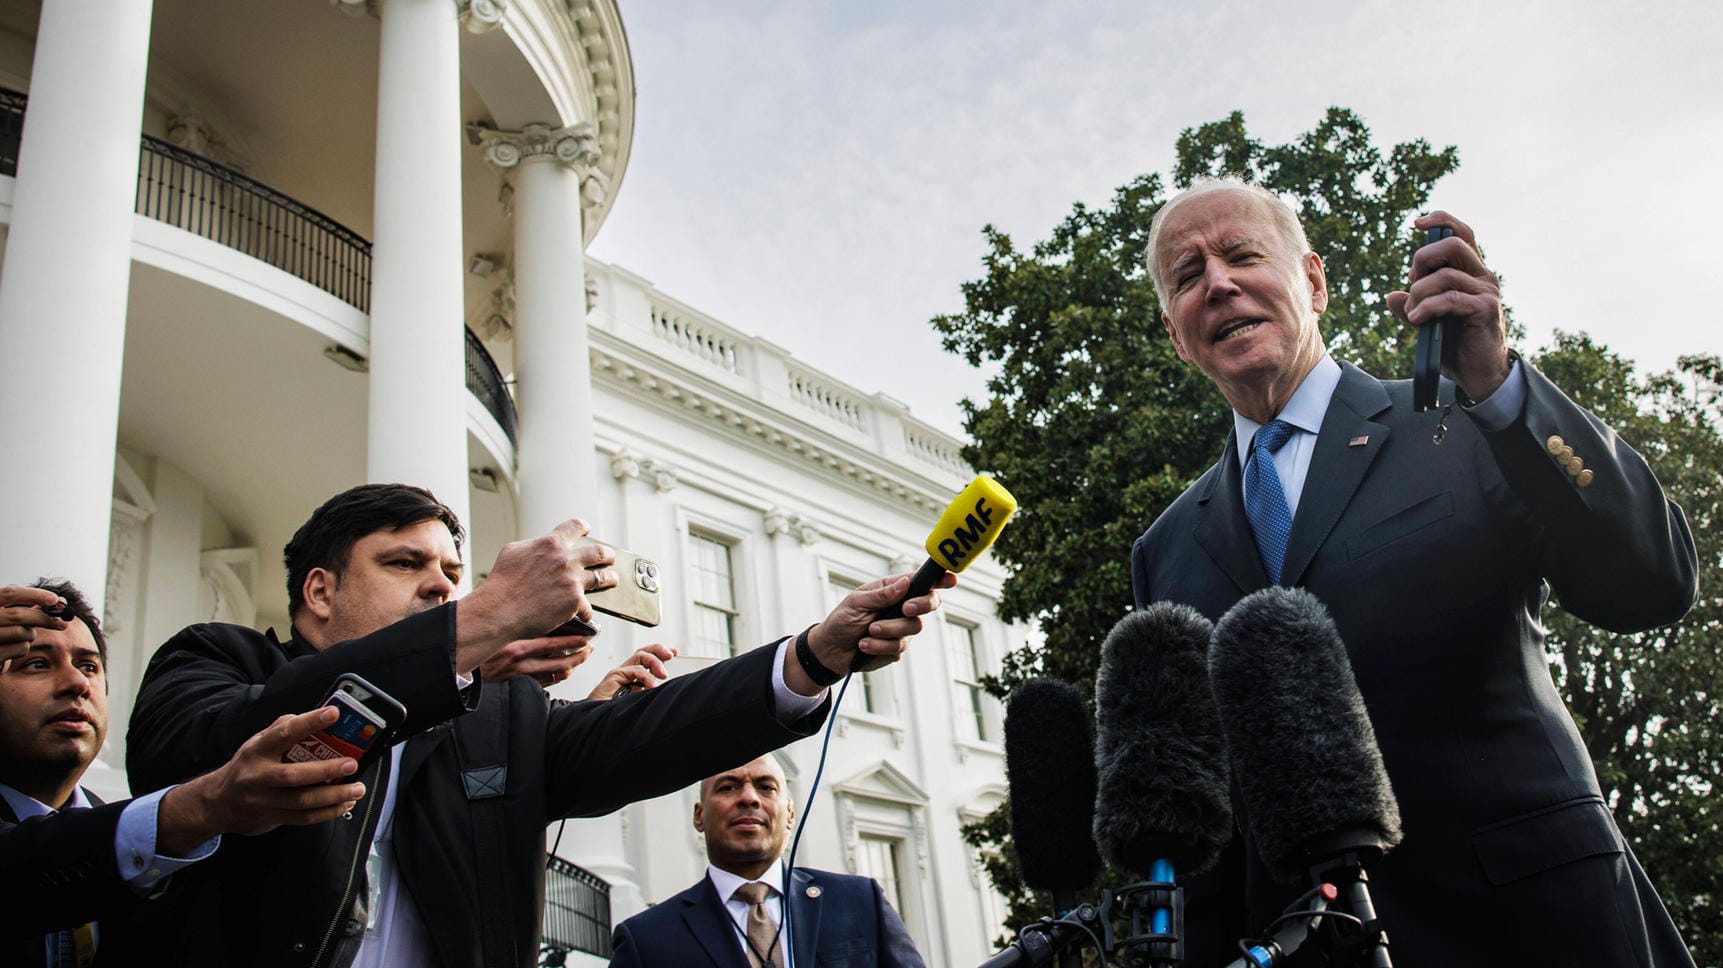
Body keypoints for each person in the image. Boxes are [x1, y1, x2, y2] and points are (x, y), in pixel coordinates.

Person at [1131, 177, 1698, 967]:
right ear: (1174, 333)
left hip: (1536, 928)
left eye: (1241, 254)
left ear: (1314, 281)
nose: (1218, 283)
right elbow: (1205, 822)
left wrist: (1498, 385)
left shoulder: (1467, 421)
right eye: (1187, 276)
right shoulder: (1165, 550)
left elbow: (1649, 583)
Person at [124, 483, 950, 968]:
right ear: (318, 591)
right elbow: (189, 754)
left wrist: (812, 654)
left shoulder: (497, 712)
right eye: (405, 564)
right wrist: (475, 628)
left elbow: (648, 736)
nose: (440, 589)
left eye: (454, 574)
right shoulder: (218, 660)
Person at [1, 580, 369, 960]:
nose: (77, 683)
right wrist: (206, 805)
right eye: (37, 664)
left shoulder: (154, 858)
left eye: (89, 666)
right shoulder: (145, 840)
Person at [610, 755, 923, 968]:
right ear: (699, 815)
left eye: (765, 787)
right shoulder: (646, 940)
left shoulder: (860, 902)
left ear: (788, 814)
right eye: (728, 786)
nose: (749, 798)